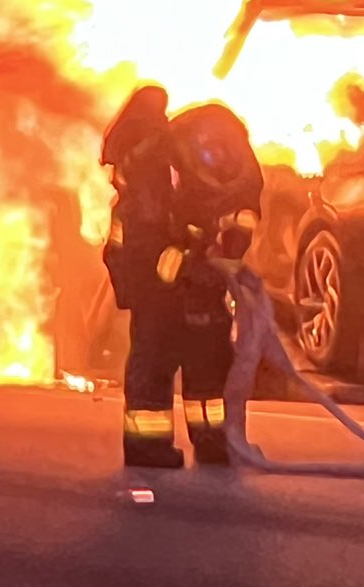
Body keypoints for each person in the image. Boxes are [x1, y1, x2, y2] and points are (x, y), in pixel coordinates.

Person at [101, 86, 263, 468]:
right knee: (157, 361)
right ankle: (148, 445)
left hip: (194, 280)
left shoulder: (212, 167)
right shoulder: (154, 167)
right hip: (160, 287)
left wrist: (223, 250)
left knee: (207, 362)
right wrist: (178, 263)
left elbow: (239, 213)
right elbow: (139, 243)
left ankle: (211, 440)